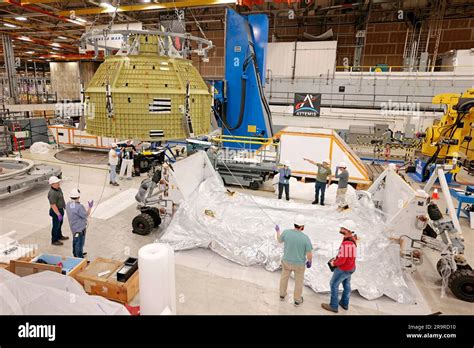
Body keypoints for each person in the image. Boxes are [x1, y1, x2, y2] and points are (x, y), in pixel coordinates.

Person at [275, 214, 313, 307]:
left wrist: (277, 231)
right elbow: (309, 253)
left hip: (286, 262)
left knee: (284, 278)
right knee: (298, 282)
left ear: (294, 224)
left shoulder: (286, 232)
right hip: (299, 264)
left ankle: (282, 295)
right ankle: (297, 300)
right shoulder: (305, 238)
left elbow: (279, 240)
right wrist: (309, 261)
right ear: (302, 226)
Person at [322, 220, 358, 313]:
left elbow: (342, 260)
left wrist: (334, 263)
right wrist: (337, 258)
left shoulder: (347, 244)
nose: (341, 229)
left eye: (343, 228)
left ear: (348, 230)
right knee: (346, 285)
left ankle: (333, 306)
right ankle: (344, 303)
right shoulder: (351, 239)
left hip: (344, 269)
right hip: (351, 267)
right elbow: (345, 256)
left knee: (333, 284)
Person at [65, 188, 93, 258]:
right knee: (79, 244)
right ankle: (80, 259)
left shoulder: (68, 204)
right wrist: (90, 207)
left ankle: (75, 254)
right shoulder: (79, 207)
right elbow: (86, 215)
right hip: (80, 229)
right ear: (78, 197)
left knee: (75, 241)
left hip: (73, 228)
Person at [47, 176, 69, 246]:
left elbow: (62, 198)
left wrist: (65, 206)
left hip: (60, 209)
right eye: (57, 182)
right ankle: (54, 240)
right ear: (52, 184)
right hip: (56, 211)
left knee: (60, 224)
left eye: (58, 182)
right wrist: (58, 214)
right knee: (56, 226)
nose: (59, 183)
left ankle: (59, 235)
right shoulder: (52, 193)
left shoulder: (58, 189)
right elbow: (53, 205)